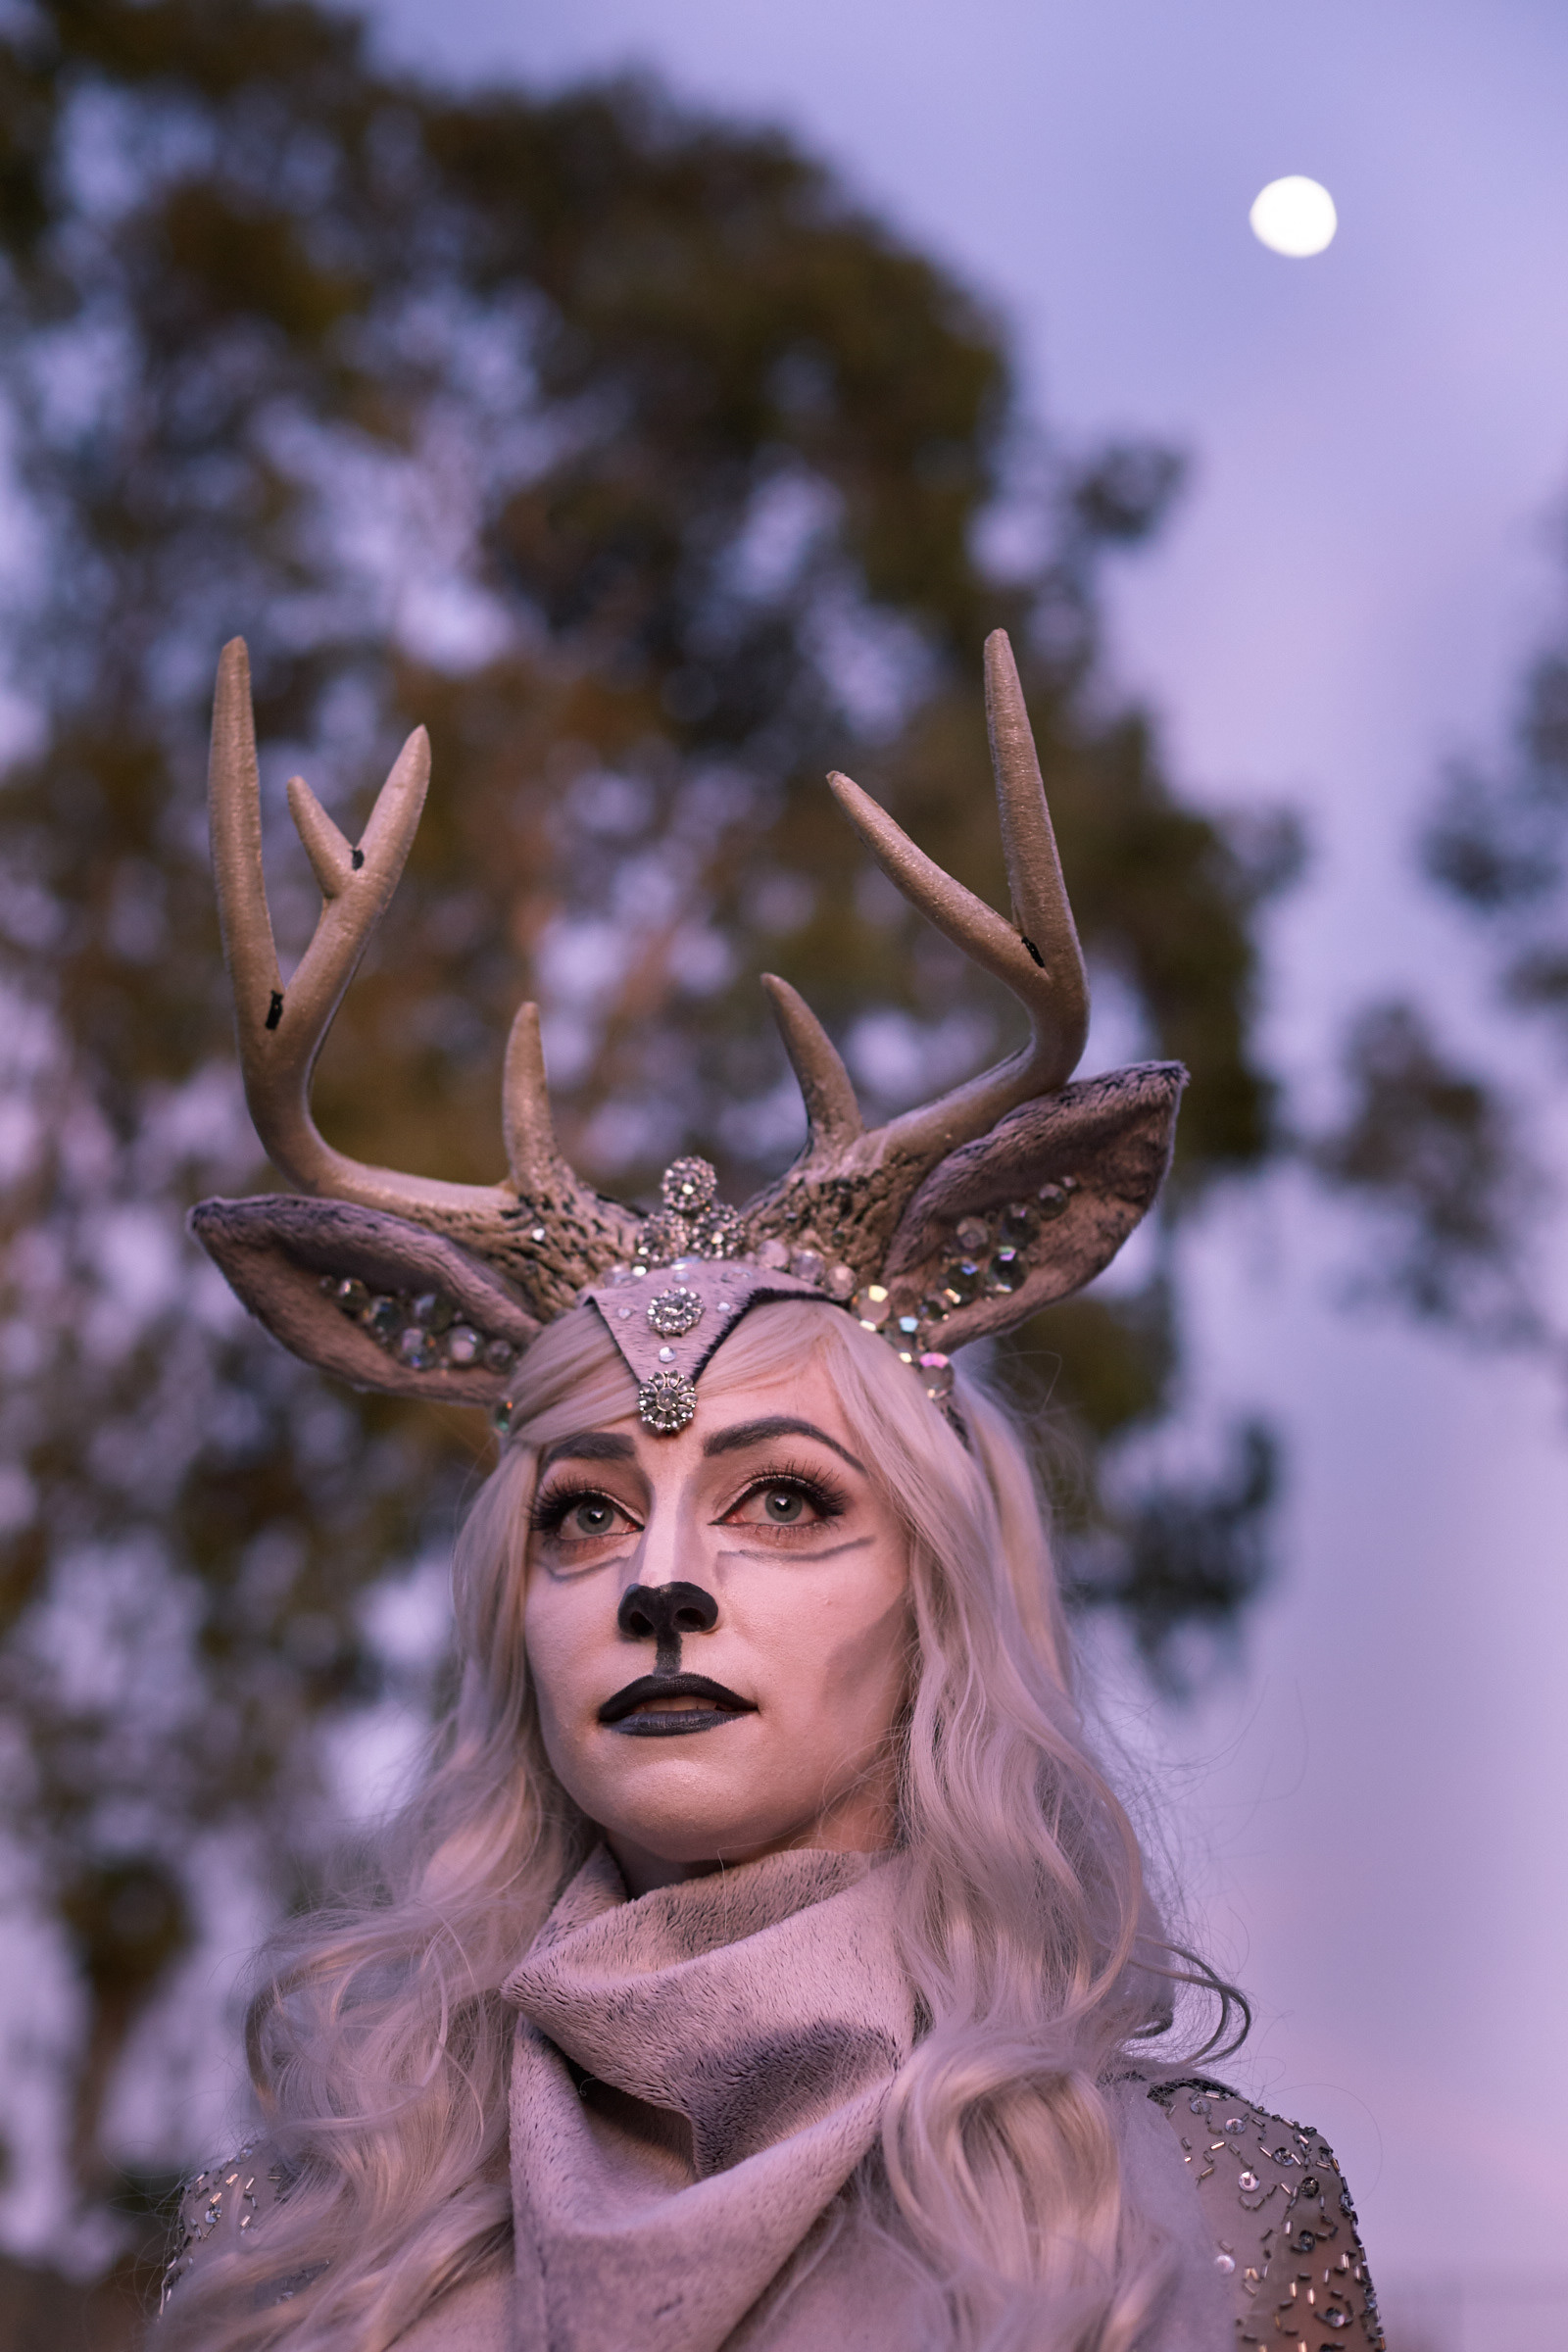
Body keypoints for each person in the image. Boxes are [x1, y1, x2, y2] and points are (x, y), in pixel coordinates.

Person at [159, 636, 1383, 2350]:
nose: (658, 1579)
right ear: (511, 1614)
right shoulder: (302, 2251)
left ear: (935, 1598)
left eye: (787, 1502)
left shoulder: (1208, 2225)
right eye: (583, 1513)